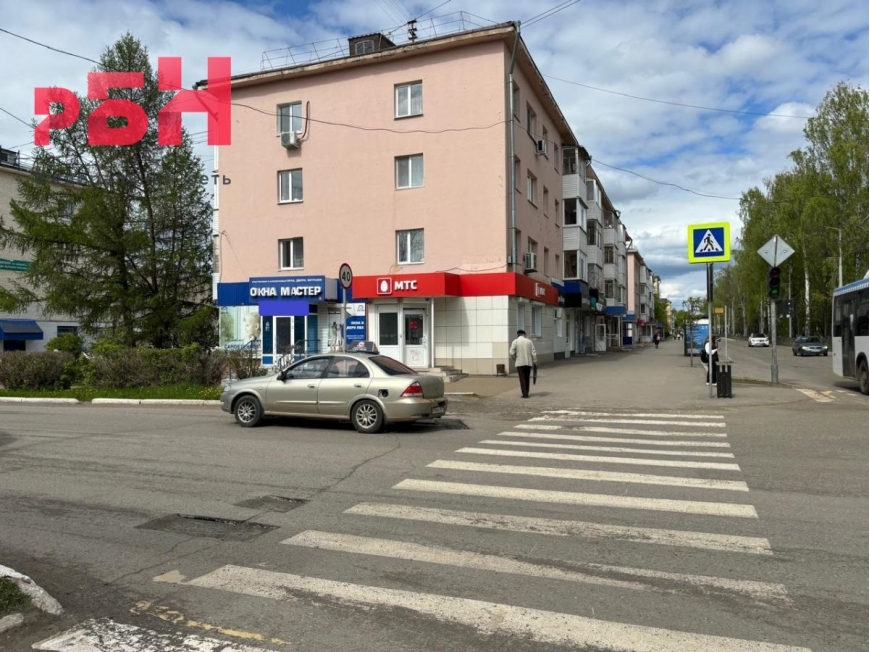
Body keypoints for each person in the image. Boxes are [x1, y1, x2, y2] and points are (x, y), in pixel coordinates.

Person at [509, 329, 537, 398]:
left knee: (522, 378)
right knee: (527, 378)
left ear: (517, 335)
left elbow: (511, 352)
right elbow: (533, 352)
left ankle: (525, 393)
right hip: (528, 362)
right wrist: (535, 361)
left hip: (519, 363)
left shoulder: (515, 341)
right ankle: (527, 392)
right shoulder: (529, 341)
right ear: (524, 334)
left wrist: (515, 358)